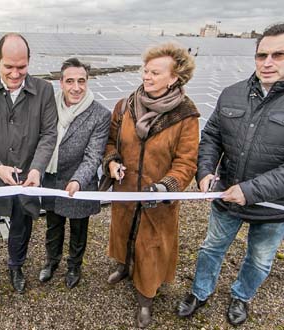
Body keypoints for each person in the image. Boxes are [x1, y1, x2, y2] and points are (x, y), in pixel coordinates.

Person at [176, 23, 284, 326]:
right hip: (226, 195)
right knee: (211, 247)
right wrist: (205, 171)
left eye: (278, 54)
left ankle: (241, 296)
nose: (267, 62)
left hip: (276, 204)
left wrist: (252, 190)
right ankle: (200, 292)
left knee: (259, 258)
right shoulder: (233, 93)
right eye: (261, 55)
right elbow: (212, 136)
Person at [103, 44, 200, 328]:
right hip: (126, 188)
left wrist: (165, 187)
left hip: (158, 197)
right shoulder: (125, 105)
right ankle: (123, 266)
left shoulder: (186, 115)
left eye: (155, 72)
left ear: (174, 78)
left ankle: (146, 298)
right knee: (122, 231)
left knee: (151, 245)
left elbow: (186, 162)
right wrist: (112, 162)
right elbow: (111, 142)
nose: (147, 76)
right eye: (146, 70)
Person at [0, 33, 57, 295]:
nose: (16, 74)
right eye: (9, 67)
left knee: (21, 223)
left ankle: (16, 266)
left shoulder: (44, 90)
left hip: (27, 174)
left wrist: (37, 168)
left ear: (29, 61)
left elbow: (49, 134)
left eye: (22, 67)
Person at [38, 58, 110, 289]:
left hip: (79, 182)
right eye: (70, 81)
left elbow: (93, 155)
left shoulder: (99, 114)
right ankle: (52, 261)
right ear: (61, 83)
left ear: (87, 82)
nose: (76, 87)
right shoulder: (49, 106)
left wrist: (78, 180)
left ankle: (74, 266)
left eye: (81, 81)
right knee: (53, 224)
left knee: (78, 228)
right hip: (51, 178)